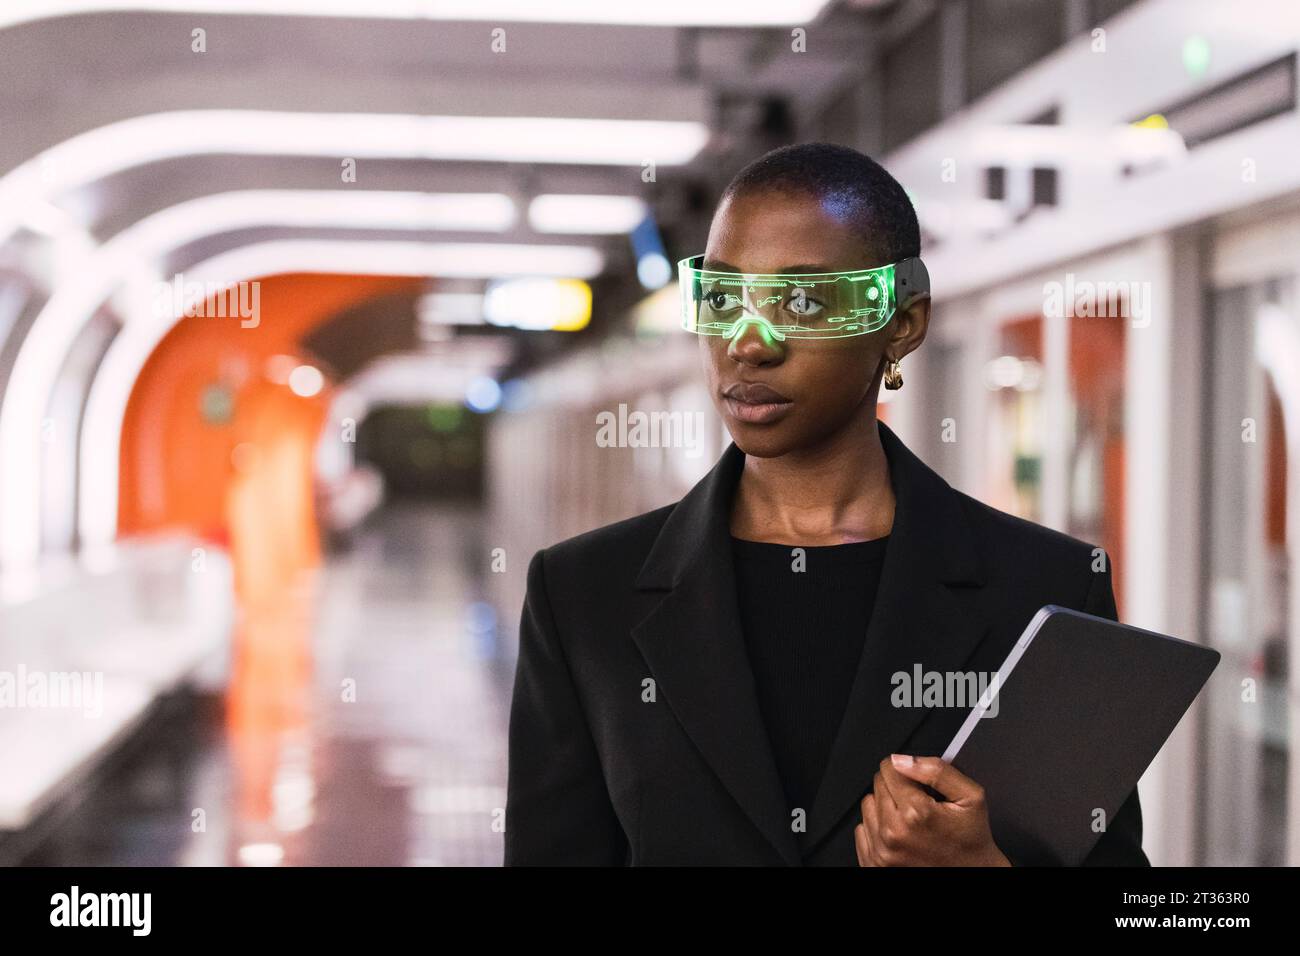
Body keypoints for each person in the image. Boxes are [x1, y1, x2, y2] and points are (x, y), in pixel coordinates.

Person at [504, 142, 1149, 867]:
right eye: (722, 299)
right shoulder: (585, 596)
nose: (748, 344)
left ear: (901, 323)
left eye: (803, 301)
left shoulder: (1045, 592)